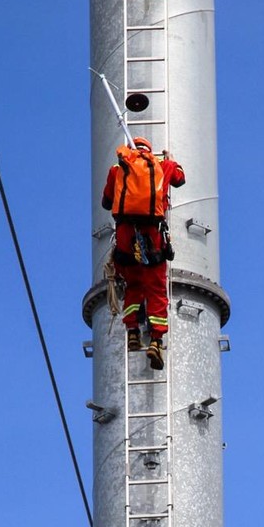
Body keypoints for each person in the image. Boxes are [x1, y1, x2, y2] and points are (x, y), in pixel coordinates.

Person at [101, 137, 185, 369]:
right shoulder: (161, 166)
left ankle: (133, 332)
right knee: (156, 288)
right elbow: (180, 179)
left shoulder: (118, 168)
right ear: (149, 151)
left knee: (133, 285)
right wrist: (171, 160)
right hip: (152, 235)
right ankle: (156, 340)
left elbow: (106, 202)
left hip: (126, 236)